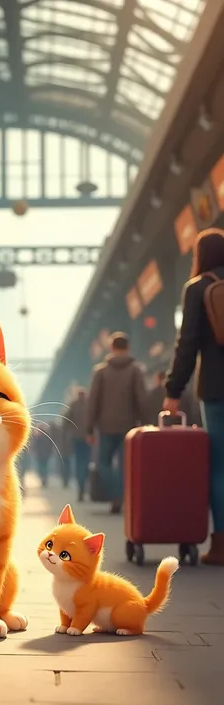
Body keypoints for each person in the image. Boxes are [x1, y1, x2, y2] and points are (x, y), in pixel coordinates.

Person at [164, 228, 224, 565]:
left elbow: (186, 345)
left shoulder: (198, 288)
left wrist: (173, 390)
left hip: (217, 389)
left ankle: (221, 544)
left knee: (220, 467)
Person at [87, 332, 147, 514]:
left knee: (103, 464)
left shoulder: (101, 372)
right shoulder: (135, 370)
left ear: (111, 348)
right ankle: (122, 494)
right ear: (127, 348)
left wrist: (90, 428)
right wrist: (145, 423)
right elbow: (141, 399)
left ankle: (115, 493)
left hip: (105, 426)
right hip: (129, 426)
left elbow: (93, 401)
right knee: (125, 464)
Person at [68, 387, 91, 501]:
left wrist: (72, 430)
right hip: (88, 438)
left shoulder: (73, 405)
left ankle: (80, 486)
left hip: (76, 438)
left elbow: (65, 420)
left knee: (78, 463)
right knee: (87, 462)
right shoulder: (89, 404)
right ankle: (85, 484)